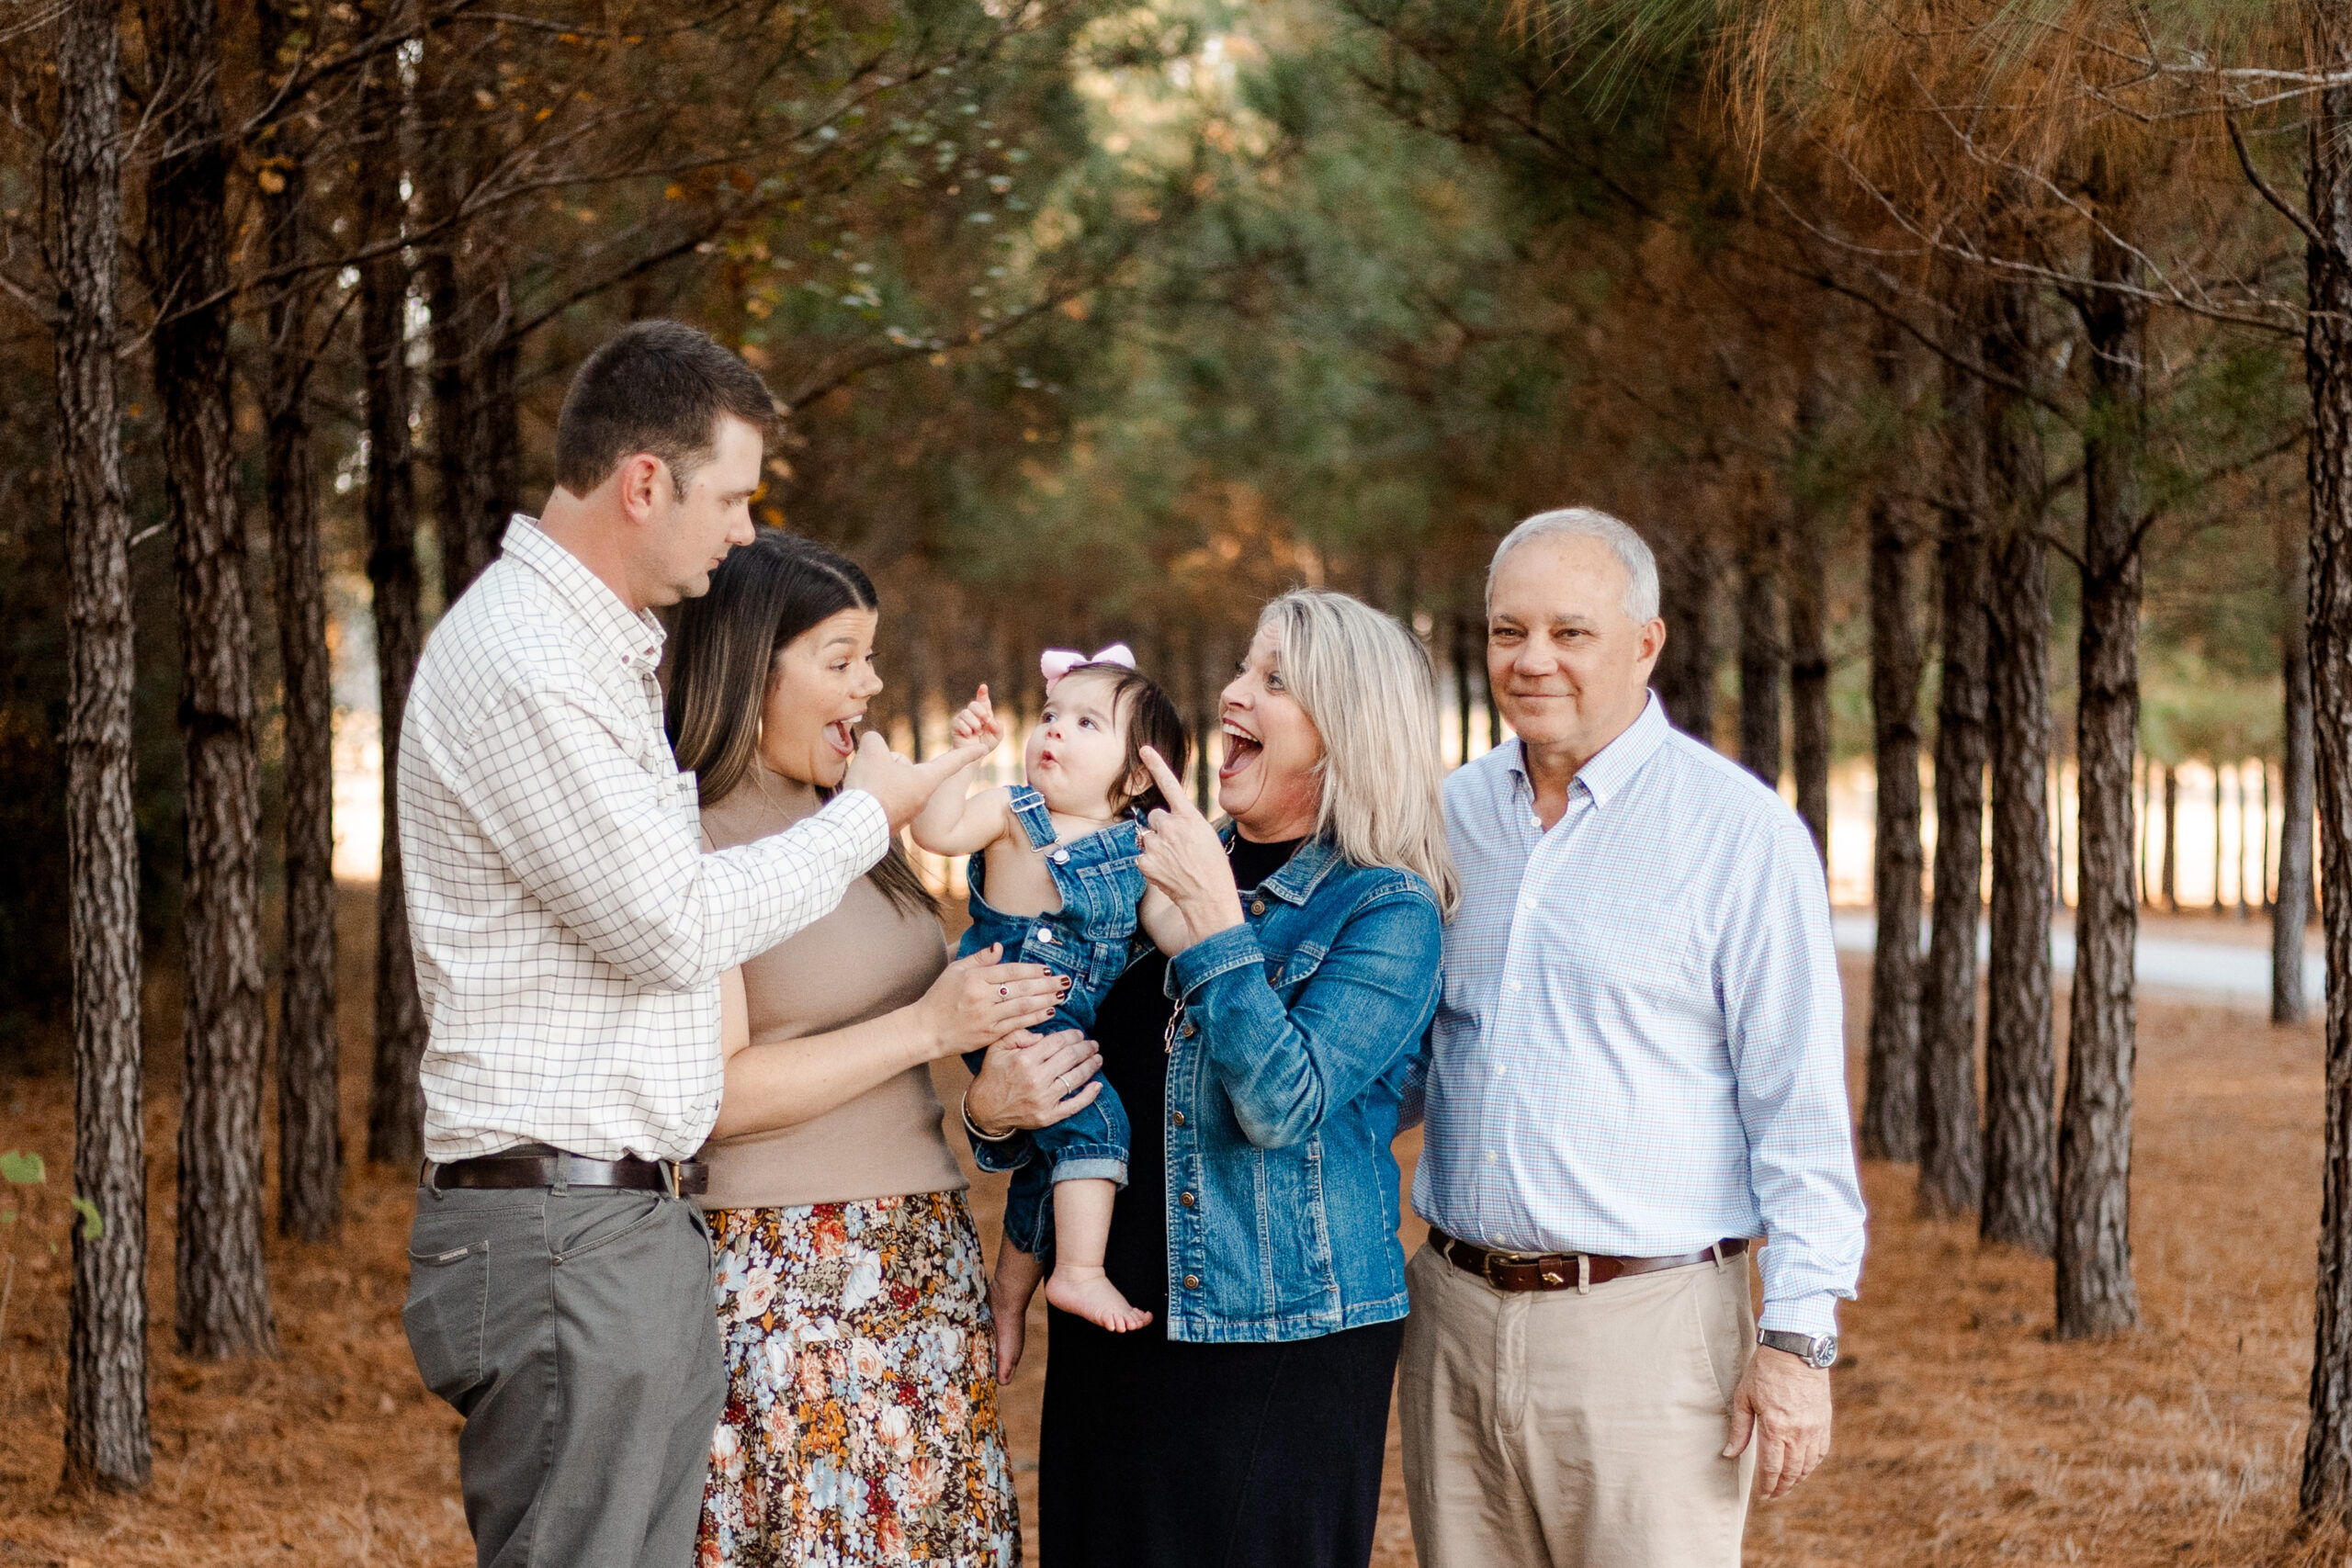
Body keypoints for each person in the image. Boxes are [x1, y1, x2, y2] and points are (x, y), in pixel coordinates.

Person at [395, 321, 983, 1568]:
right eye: (732, 495)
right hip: (559, 1229)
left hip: (615, 1220)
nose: (742, 530)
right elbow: (671, 919)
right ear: (644, 482)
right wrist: (874, 810)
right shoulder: (527, 662)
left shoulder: (595, 657)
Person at [1400, 506, 1869, 1568]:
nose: (1532, 662)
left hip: (1649, 1332)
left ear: (1645, 643)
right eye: (1507, 631)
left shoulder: (1736, 836)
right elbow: (1404, 1066)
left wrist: (1796, 1343)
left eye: (1571, 632)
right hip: (1453, 1322)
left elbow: (1795, 1112)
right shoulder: (1445, 817)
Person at [967, 588, 1457, 1568]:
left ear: (1340, 732)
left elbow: (1283, 1106)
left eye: (1274, 681)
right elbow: (1069, 1079)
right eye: (1244, 665)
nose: (1234, 692)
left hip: (1275, 1340)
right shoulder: (1147, 864)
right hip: (1116, 1313)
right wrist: (993, 1118)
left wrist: (1217, 930)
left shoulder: (1386, 909)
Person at [662, 530, 1082, 1567]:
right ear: (751, 665)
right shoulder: (694, 834)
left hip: (917, 1262)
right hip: (787, 1282)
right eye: (842, 659)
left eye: (873, 658)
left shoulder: (853, 820)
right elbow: (714, 1097)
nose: (873, 685)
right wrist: (928, 1028)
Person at [910, 651, 1190, 1346]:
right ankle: (1079, 1270)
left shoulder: (1138, 846)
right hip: (1004, 1010)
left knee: (1053, 1155)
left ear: (1132, 775)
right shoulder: (1014, 811)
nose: (1054, 732)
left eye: (1085, 722)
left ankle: (1010, 1292)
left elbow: (1176, 932)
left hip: (1063, 1026)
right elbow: (935, 833)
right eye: (1049, 716)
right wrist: (962, 758)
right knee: (1098, 1128)